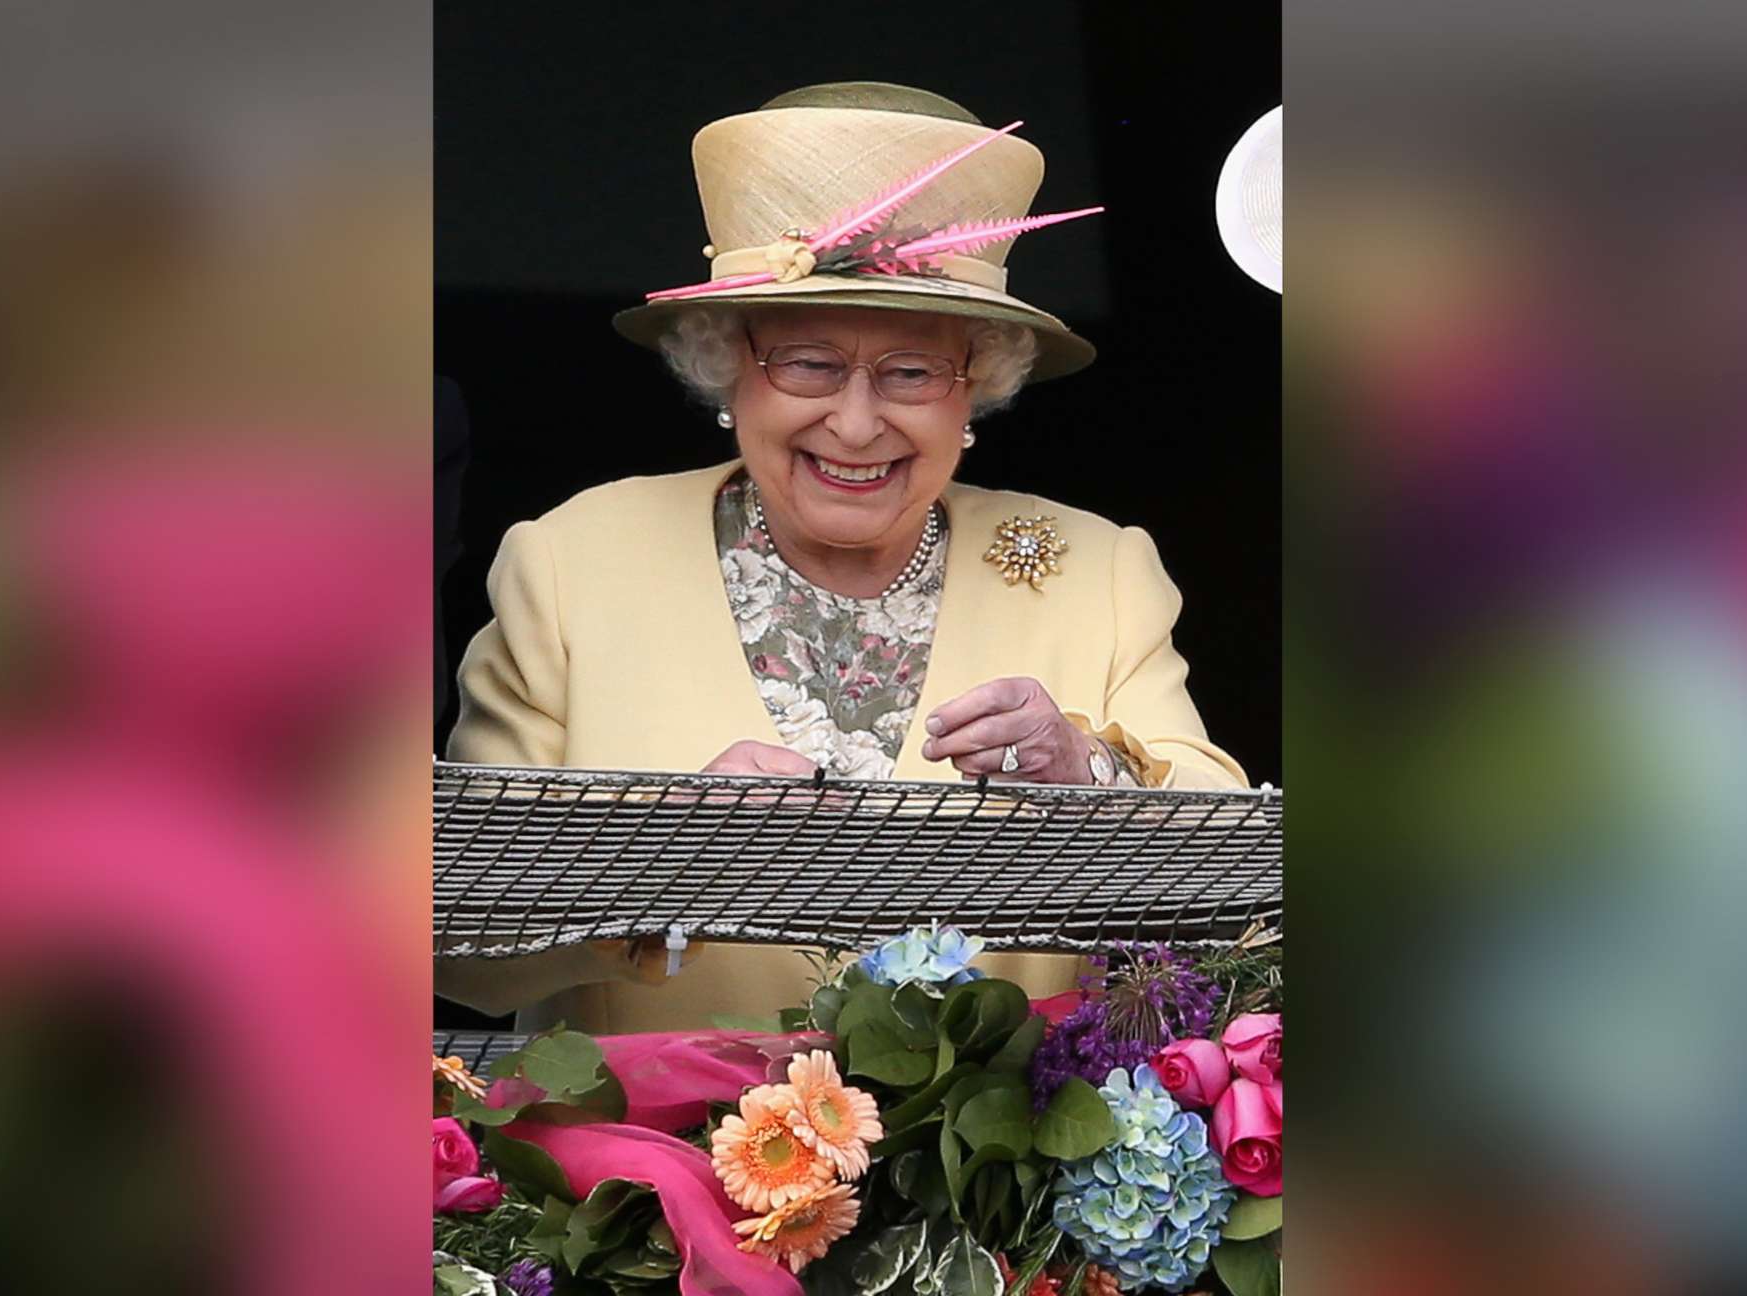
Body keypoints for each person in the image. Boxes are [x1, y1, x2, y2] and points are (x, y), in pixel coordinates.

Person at [439, 82, 1248, 1032]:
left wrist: (1085, 776)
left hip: (1011, 1174)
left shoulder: (1097, 569)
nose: (857, 424)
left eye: (912, 371)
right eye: (809, 362)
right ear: (727, 369)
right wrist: (673, 853)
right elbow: (454, 942)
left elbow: (1230, 895)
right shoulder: (569, 563)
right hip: (652, 1168)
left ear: (974, 389)